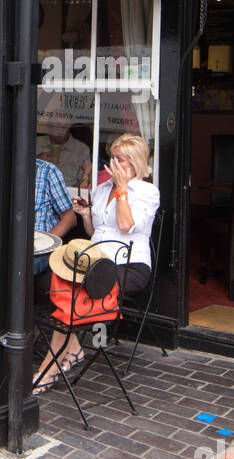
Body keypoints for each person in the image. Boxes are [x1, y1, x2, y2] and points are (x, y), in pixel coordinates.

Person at [33, 134, 159, 394]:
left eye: (120, 160)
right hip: (96, 261)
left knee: (72, 295)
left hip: (129, 265)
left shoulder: (147, 191)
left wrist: (122, 189)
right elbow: (95, 233)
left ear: (134, 164)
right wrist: (86, 215)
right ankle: (75, 348)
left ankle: (51, 366)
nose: (112, 164)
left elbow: (125, 225)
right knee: (47, 283)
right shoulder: (101, 189)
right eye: (112, 157)